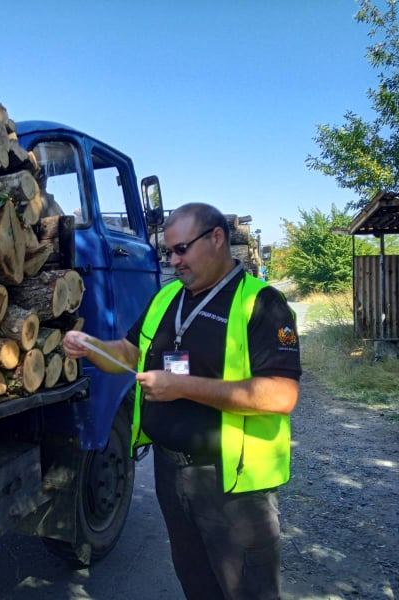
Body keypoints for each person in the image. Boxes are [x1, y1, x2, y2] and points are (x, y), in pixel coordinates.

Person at [64, 203, 300, 600]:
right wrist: (93, 348)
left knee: (247, 590)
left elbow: (281, 394)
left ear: (217, 238)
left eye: (181, 250)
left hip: (231, 481)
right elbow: (129, 351)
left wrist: (183, 387)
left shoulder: (261, 303)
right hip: (171, 473)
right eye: (168, 252)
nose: (173, 261)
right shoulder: (166, 297)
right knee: (196, 582)